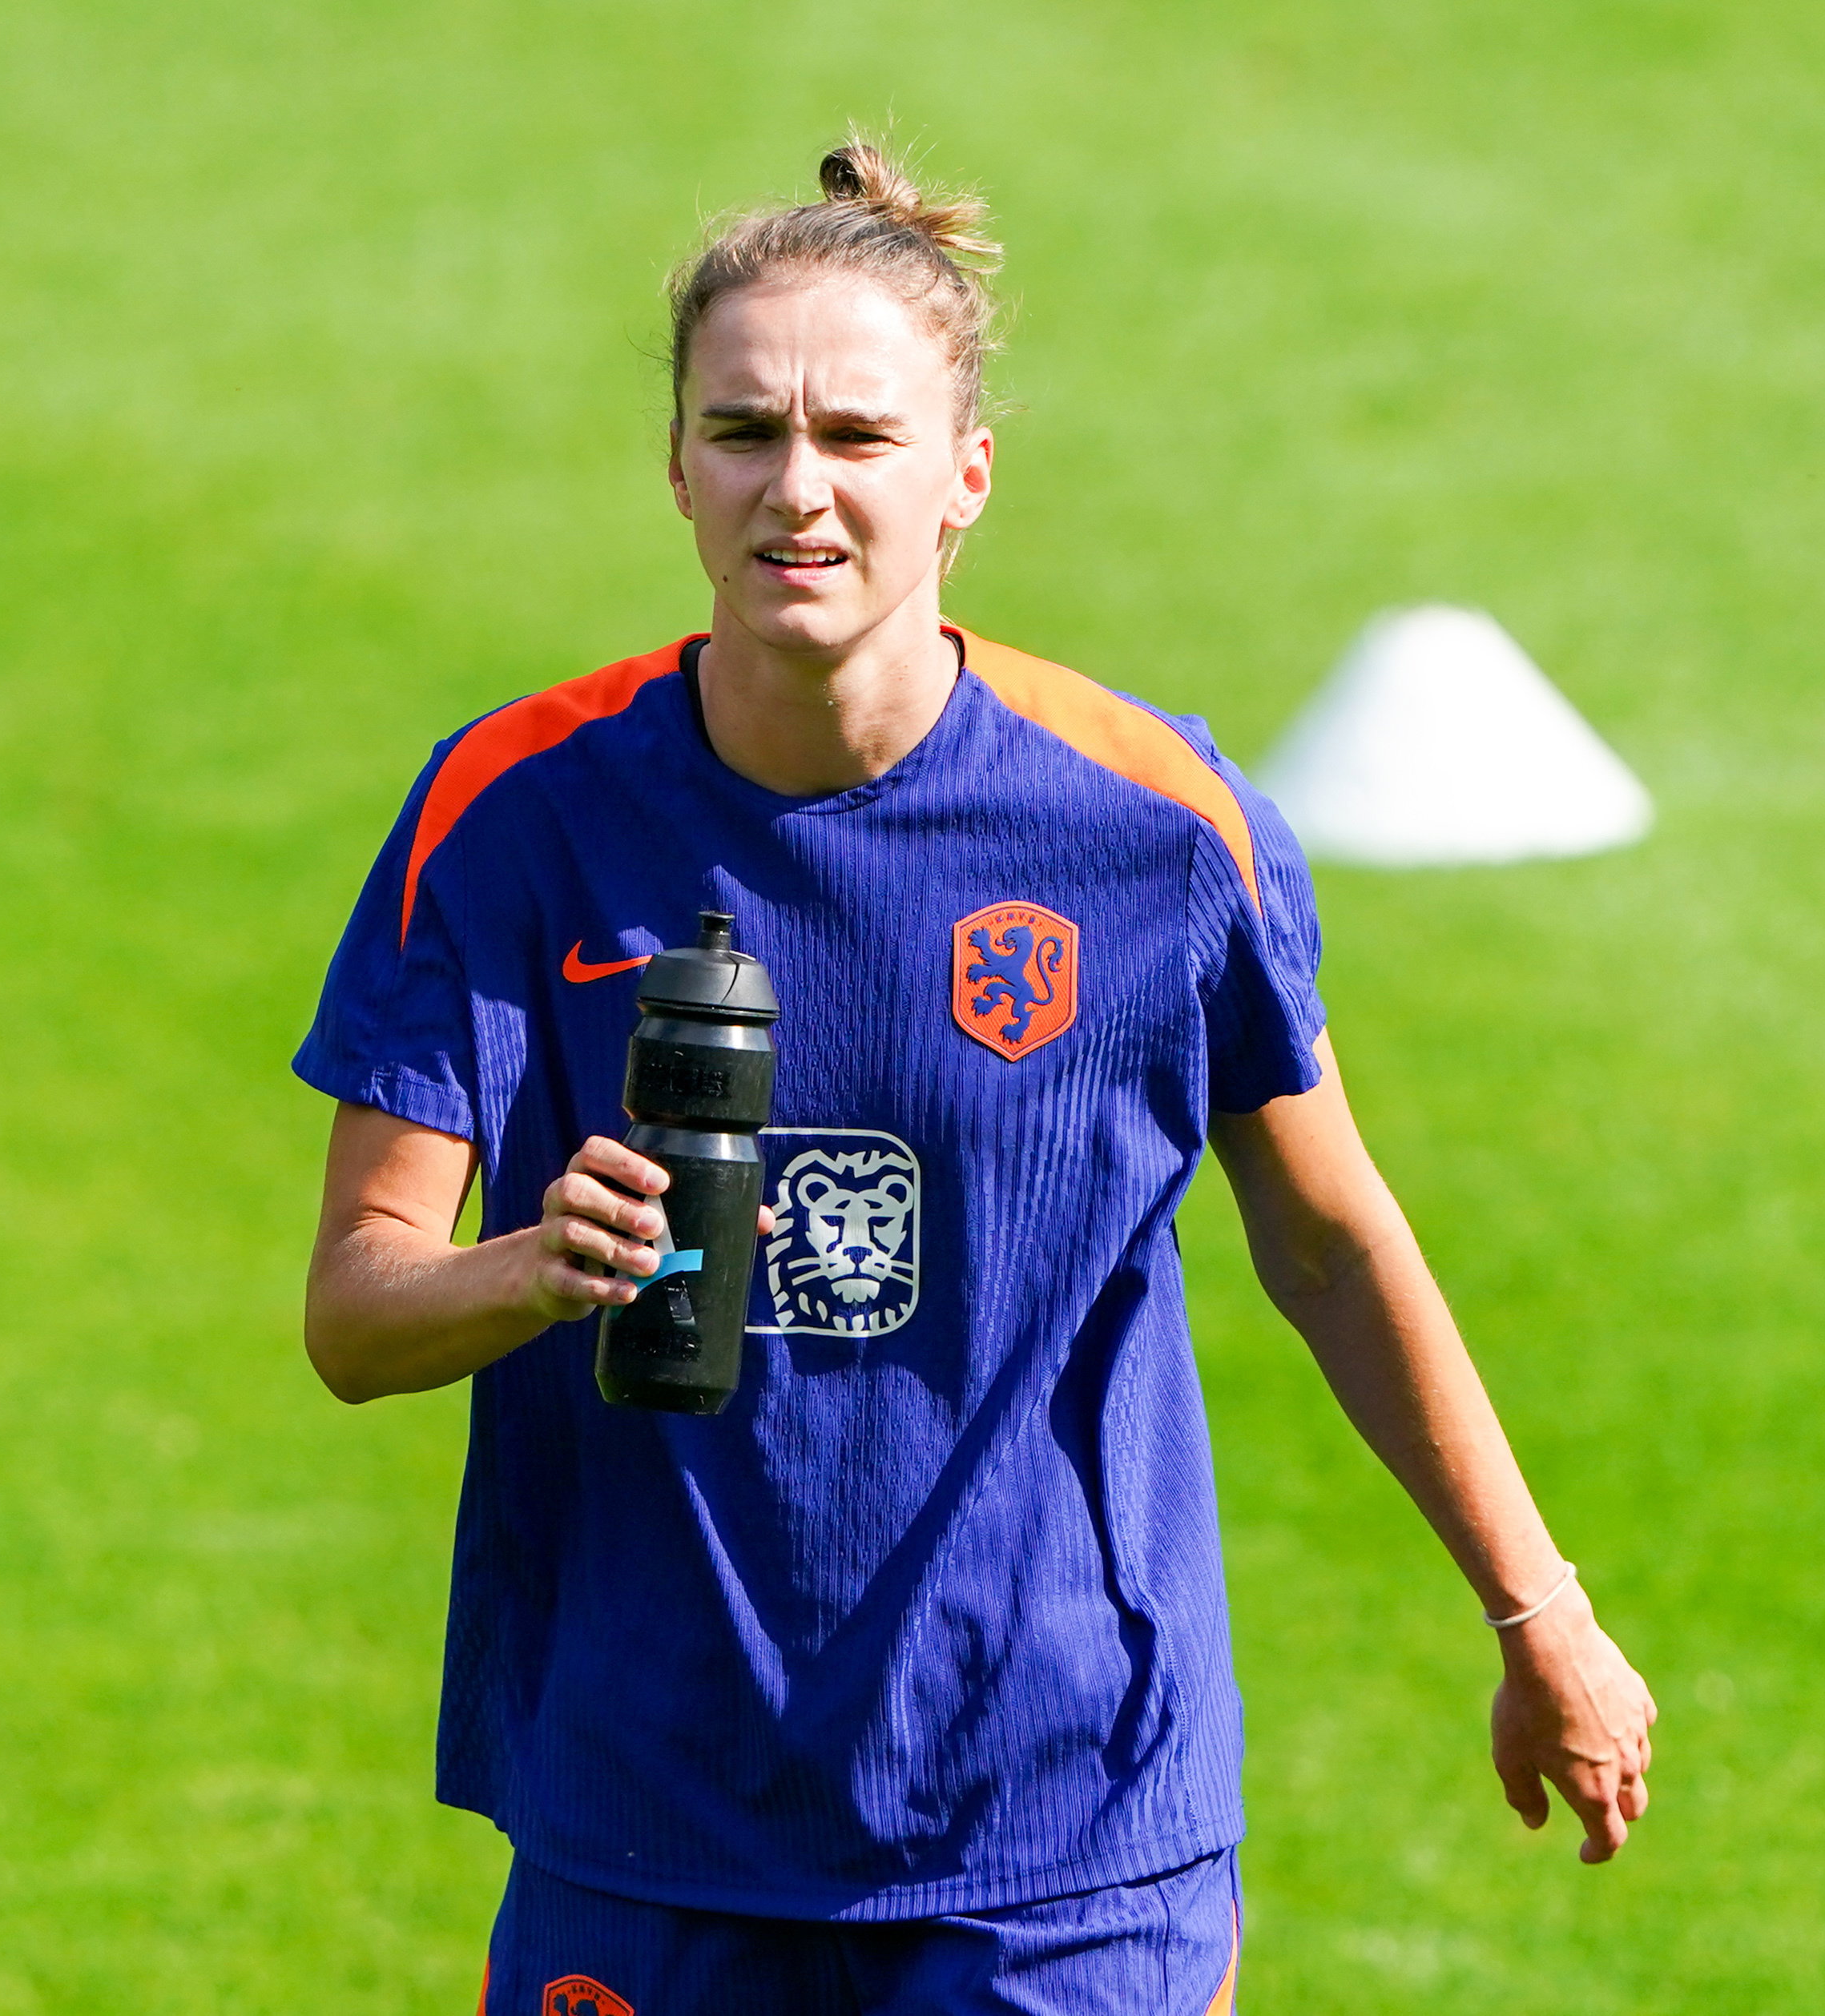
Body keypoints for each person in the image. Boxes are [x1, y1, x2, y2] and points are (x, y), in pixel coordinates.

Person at [296, 134, 1656, 2016]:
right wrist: (524, 1263)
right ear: (675, 467)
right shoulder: (512, 810)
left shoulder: (1155, 824)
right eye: (746, 431)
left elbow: (1332, 1241)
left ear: (966, 479)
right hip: (646, 1806)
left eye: (858, 437)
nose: (800, 491)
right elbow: (356, 1311)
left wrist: (1542, 1616)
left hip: (1058, 1832)